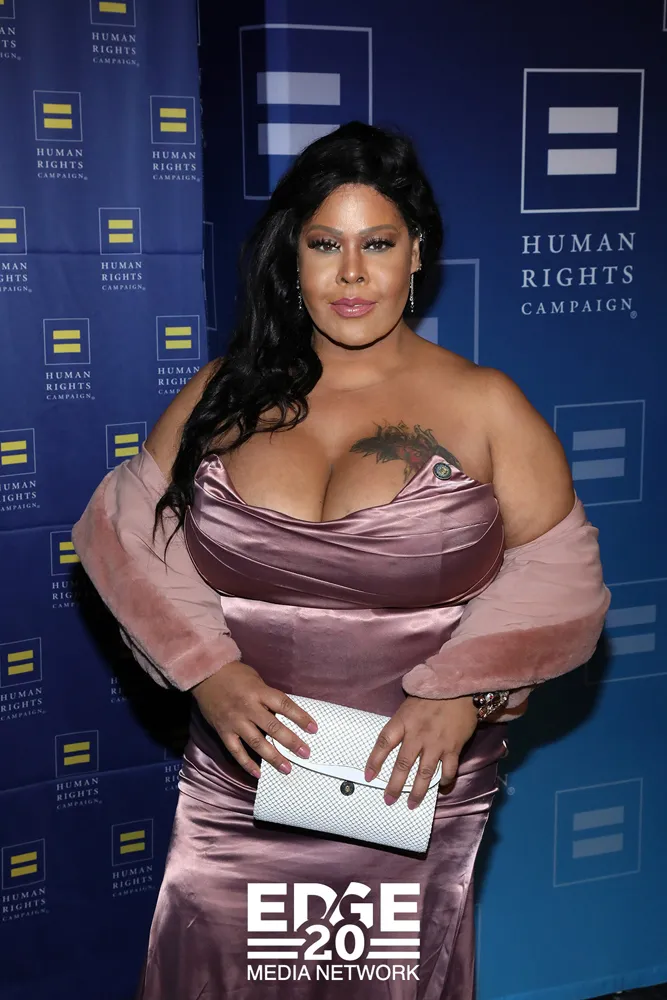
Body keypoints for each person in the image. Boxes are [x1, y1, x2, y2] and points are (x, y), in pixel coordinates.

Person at [72, 122, 610, 999]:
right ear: (293, 255)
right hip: (241, 786)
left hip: (408, 784)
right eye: (325, 244)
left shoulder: (485, 405)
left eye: (377, 244)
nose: (351, 274)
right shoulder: (224, 392)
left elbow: (559, 579)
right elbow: (127, 535)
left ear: (416, 253)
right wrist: (206, 669)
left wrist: (464, 693)